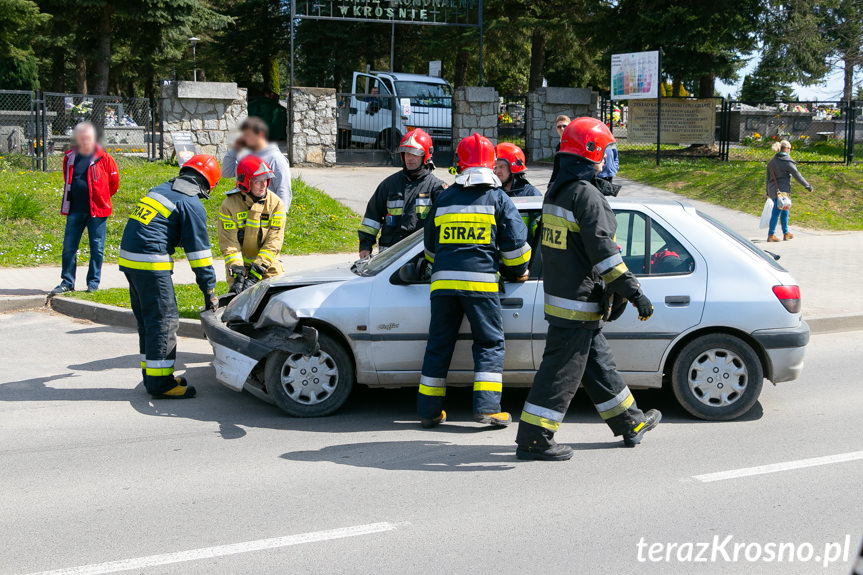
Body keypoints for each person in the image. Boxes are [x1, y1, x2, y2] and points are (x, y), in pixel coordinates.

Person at [514, 118, 661, 461]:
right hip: (578, 302)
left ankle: (630, 422)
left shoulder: (559, 191)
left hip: (565, 298)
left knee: (598, 365)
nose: (612, 159)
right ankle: (534, 437)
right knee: (560, 373)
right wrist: (634, 292)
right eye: (609, 151)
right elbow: (604, 253)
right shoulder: (587, 196)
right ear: (593, 153)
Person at [418, 133, 531, 429]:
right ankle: (487, 408)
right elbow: (516, 248)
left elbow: (430, 248)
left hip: (442, 285)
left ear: (459, 163)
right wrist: (518, 271)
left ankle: (429, 411)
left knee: (438, 344)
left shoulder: (443, 198)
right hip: (481, 285)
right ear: (491, 164)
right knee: (489, 343)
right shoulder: (498, 198)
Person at [119, 155, 220, 400]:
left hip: (130, 259)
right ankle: (162, 385)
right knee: (164, 321)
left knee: (148, 321)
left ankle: (152, 377)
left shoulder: (162, 189)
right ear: (206, 186)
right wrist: (210, 292)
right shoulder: (190, 203)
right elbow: (199, 256)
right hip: (150, 262)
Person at [51, 122, 119, 295]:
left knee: (97, 247)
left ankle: (93, 283)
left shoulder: (104, 158)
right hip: (75, 210)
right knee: (68, 247)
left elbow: (114, 183)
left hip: (97, 211)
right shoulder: (69, 157)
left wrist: (102, 197)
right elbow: (67, 180)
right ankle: (67, 282)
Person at [358, 129, 446, 259]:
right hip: (389, 258)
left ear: (426, 155)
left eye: (416, 153)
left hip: (420, 257)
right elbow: (371, 218)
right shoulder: (389, 185)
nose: (410, 158)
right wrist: (365, 246)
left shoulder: (436, 188)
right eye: (407, 153)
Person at [219, 155, 286, 294]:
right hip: (239, 266)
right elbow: (229, 243)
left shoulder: (276, 204)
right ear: (245, 182)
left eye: (265, 180)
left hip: (267, 264)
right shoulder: (229, 205)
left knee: (273, 301)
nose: (263, 185)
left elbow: (274, 242)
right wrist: (237, 272)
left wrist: (258, 270)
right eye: (257, 181)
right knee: (239, 304)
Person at [221, 117, 292, 210]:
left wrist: (281, 216)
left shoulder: (275, 158)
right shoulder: (244, 155)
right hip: (243, 210)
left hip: (266, 213)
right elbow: (226, 173)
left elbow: (284, 189)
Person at [766, 139, 811, 242]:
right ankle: (771, 235)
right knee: (777, 212)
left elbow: (767, 178)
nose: (790, 151)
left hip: (773, 190)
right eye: (789, 149)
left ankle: (786, 233)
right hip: (783, 192)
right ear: (786, 149)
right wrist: (807, 186)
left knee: (785, 211)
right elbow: (797, 175)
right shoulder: (787, 161)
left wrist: (767, 191)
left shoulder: (772, 162)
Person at [548, 114, 571, 188]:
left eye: (565, 126)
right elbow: (556, 168)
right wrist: (551, 184)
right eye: (559, 127)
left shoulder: (575, 144)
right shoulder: (559, 145)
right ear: (556, 128)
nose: (562, 128)